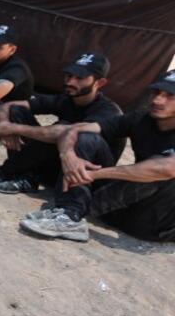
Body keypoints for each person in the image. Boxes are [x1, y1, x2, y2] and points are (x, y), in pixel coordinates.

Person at [20, 70, 175, 243]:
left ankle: (76, 212)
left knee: (157, 169)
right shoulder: (141, 118)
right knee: (86, 138)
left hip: (159, 223)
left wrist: (94, 174)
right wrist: (68, 157)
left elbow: (166, 168)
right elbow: (75, 129)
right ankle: (70, 215)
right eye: (156, 92)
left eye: (170, 96)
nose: (157, 100)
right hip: (124, 206)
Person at [0, 53, 122, 194]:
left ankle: (9, 171)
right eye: (68, 75)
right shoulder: (67, 99)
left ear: (100, 83)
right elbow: (4, 107)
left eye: (79, 78)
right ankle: (24, 174)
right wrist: (3, 125)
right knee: (15, 111)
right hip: (59, 162)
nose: (70, 81)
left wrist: (13, 128)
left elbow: (63, 133)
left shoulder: (108, 111)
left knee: (61, 129)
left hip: (84, 174)